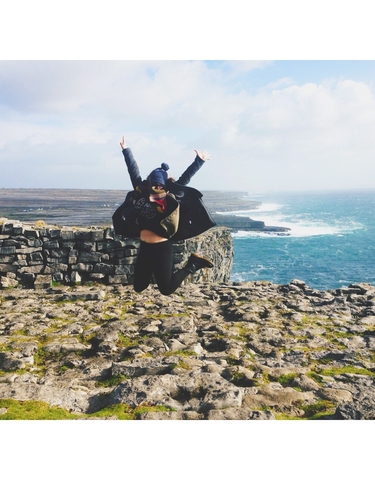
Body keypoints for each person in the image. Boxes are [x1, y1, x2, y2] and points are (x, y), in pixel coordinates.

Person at [112, 136, 216, 296]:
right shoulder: (142, 193)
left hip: (162, 248)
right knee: (139, 286)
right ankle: (190, 265)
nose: (157, 186)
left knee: (166, 289)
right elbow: (133, 171)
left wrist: (198, 161)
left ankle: (192, 265)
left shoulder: (169, 196)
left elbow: (185, 179)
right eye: (154, 182)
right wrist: (126, 150)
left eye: (160, 183)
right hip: (145, 247)